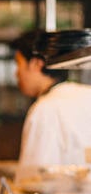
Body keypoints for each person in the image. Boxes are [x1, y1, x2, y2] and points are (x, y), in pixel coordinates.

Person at [11, 30, 91, 184]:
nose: (17, 74)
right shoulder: (86, 93)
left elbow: (32, 180)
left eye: (18, 64)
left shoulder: (45, 108)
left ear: (36, 64)